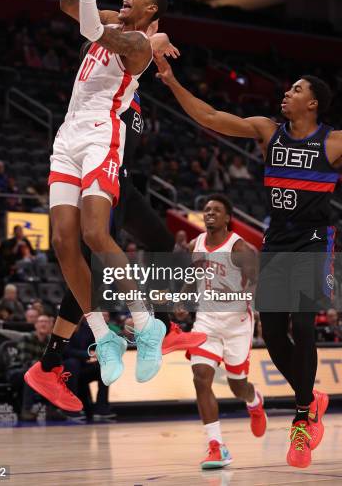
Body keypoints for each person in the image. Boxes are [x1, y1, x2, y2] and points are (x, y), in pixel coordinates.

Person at [154, 54, 336, 469]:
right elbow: (212, 116)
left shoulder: (332, 141)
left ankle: (302, 417)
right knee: (272, 334)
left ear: (313, 104)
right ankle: (312, 399)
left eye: (296, 89)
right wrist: (172, 82)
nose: (286, 93)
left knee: (304, 324)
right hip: (277, 242)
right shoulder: (267, 131)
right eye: (288, 88)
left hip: (312, 242)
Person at [29, 0, 180, 401]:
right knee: (62, 241)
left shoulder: (139, 47)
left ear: (151, 11)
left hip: (101, 136)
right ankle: (104, 333)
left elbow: (91, 27)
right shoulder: (114, 21)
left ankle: (145, 323)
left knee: (96, 233)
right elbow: (72, 7)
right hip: (67, 134)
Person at [25, 42, 206, 412]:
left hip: (123, 179)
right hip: (99, 173)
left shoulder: (133, 91)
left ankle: (166, 326)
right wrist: (150, 34)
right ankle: (54, 359)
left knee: (160, 240)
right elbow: (122, 30)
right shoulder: (102, 86)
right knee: (92, 254)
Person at [182, 195, 266, 469]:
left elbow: (257, 285)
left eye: (217, 210)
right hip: (206, 322)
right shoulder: (196, 245)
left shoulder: (240, 248)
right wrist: (181, 300)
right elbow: (192, 276)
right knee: (200, 377)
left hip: (236, 326)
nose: (210, 213)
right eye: (206, 210)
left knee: (237, 387)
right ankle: (216, 446)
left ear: (228, 218)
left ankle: (254, 401)